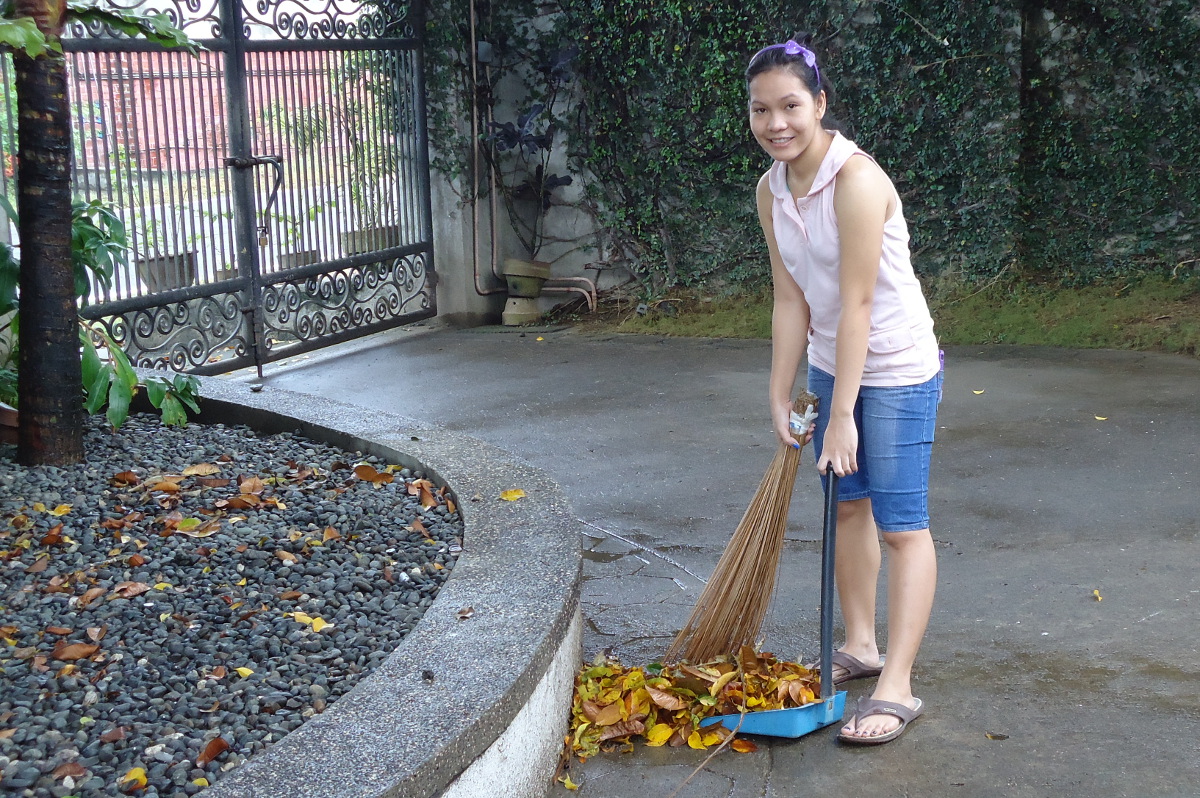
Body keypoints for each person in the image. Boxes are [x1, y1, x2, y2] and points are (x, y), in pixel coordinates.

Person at [747, 39, 943, 745]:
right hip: (835, 363)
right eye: (762, 109)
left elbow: (857, 304)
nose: (777, 123)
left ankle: (898, 685)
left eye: (791, 106)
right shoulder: (771, 190)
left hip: (895, 365)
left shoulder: (855, 181)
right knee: (848, 508)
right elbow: (790, 300)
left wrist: (842, 423)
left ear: (820, 105)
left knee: (899, 522)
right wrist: (783, 393)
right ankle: (861, 646)